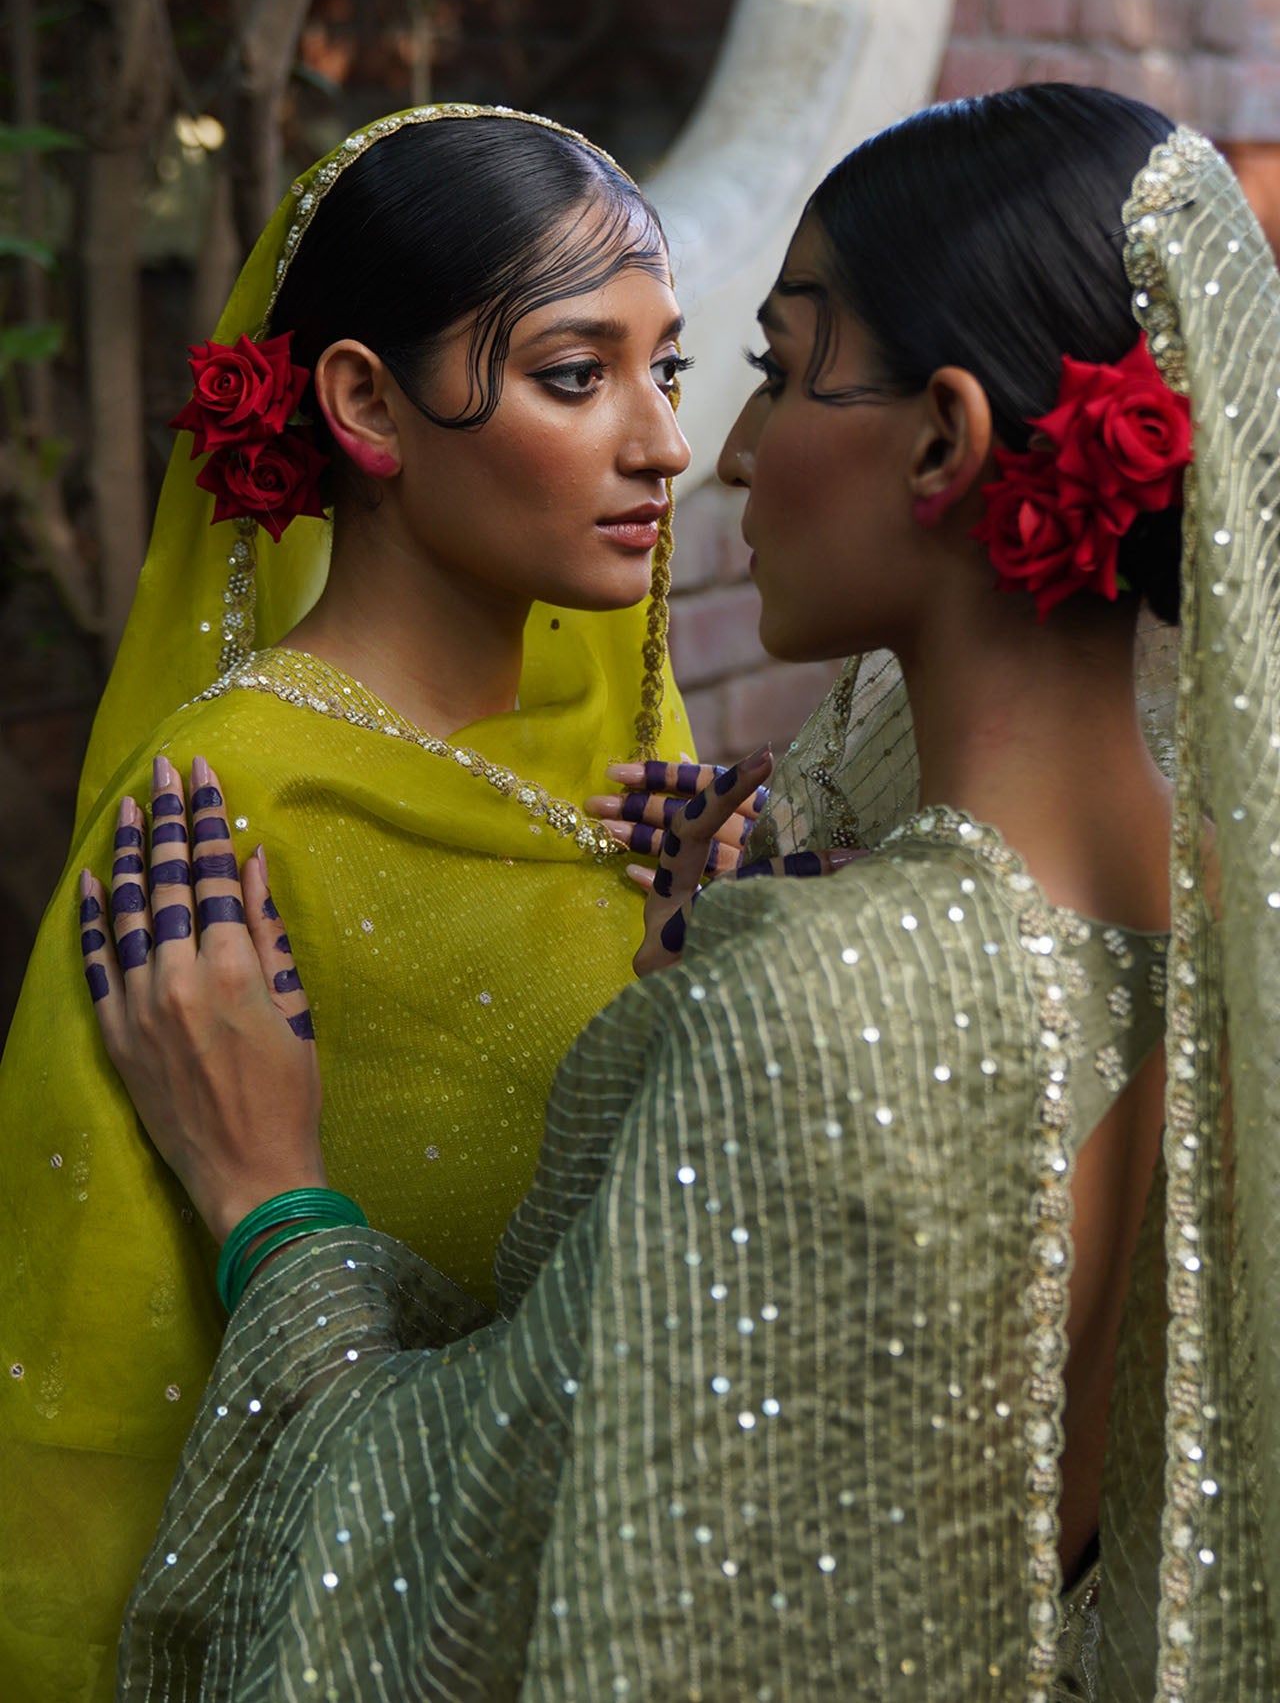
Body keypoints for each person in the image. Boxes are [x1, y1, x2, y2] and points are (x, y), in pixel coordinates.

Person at [81, 84, 1280, 1698]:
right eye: (594, 375)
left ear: (944, 440)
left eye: (776, 374)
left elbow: (475, 1567)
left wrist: (272, 1208)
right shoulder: (1224, 923)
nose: (712, 454)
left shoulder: (822, 1000)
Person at [0, 103, 725, 1702]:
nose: (664, 442)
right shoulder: (224, 815)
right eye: (573, 373)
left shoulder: (640, 790)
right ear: (365, 405)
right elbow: (100, 1397)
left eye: (664, 368)